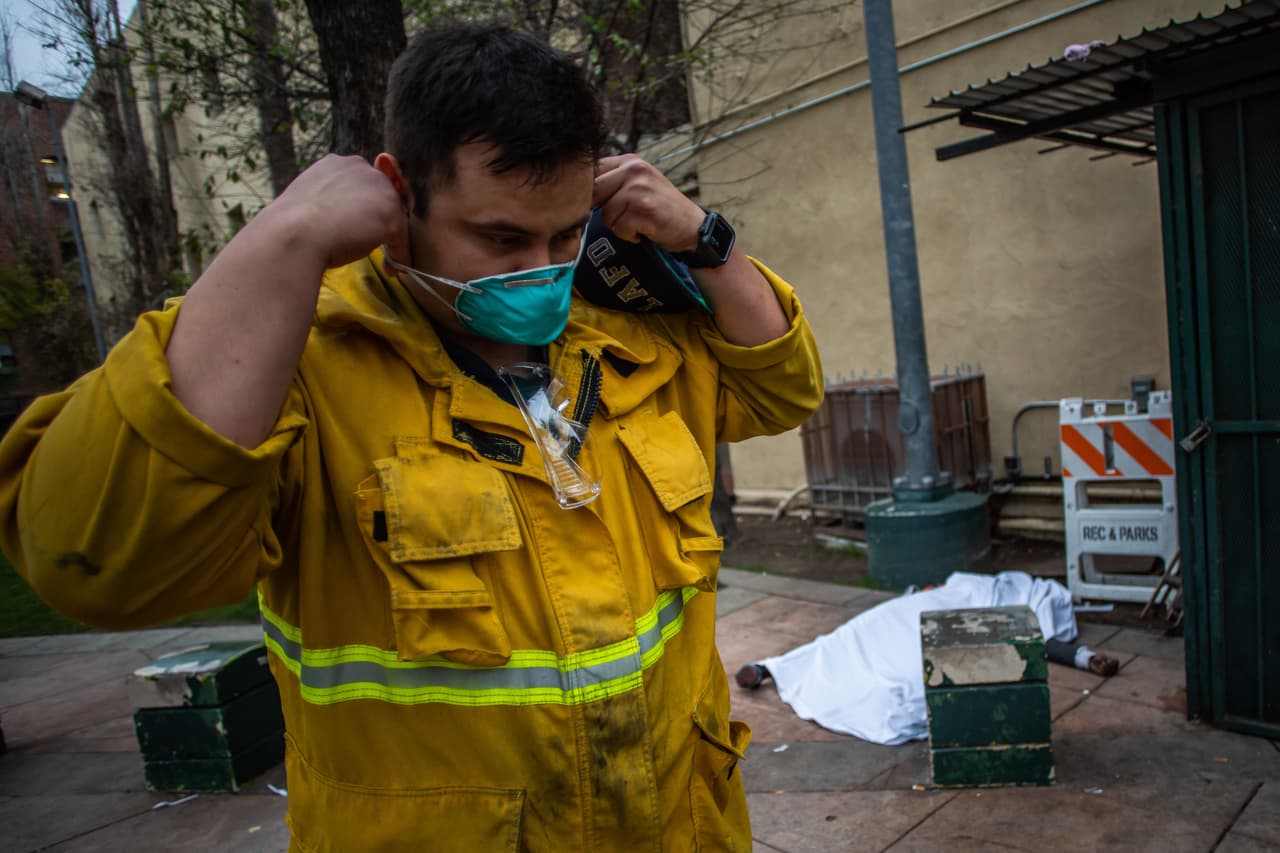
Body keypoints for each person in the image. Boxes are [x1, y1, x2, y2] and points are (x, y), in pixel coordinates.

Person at [0, 23, 823, 851]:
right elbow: (97, 563)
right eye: (501, 238)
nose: (541, 268)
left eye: (565, 233)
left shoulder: (623, 328)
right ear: (397, 198)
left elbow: (781, 386)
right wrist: (282, 241)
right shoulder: (300, 364)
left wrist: (702, 241)